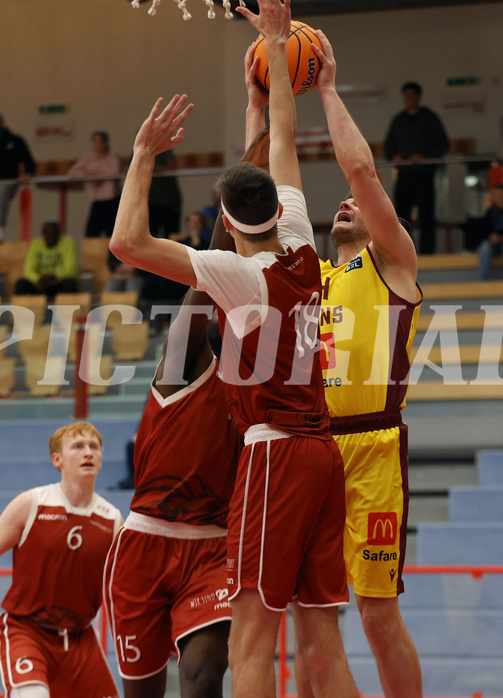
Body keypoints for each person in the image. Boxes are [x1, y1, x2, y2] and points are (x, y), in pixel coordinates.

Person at [109, 1, 357, 696]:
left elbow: (127, 243)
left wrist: (141, 157)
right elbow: (284, 137)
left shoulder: (239, 275)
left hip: (274, 451)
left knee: (252, 638)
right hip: (322, 450)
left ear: (224, 222)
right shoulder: (302, 243)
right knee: (321, 633)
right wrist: (275, 54)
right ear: (278, 209)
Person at [307, 32, 423, 698]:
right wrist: (258, 101)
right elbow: (277, 188)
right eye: (339, 210)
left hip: (373, 447)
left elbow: (361, 175)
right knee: (315, 617)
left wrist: (324, 87)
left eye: (358, 208)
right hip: (311, 451)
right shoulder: (314, 275)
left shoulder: (391, 266)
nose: (345, 204)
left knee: (377, 616)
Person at [0, 422, 123, 698]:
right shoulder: (30, 504)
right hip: (27, 630)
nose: (88, 453)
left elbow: (129, 584)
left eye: (94, 447)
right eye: (78, 447)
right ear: (57, 460)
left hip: (79, 637)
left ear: (102, 460)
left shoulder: (112, 519)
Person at [384, 81, 449, 255]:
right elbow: (388, 146)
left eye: (412, 96)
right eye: (406, 96)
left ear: (418, 97)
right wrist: (394, 156)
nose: (408, 99)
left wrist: (424, 157)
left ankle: (428, 254)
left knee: (426, 216)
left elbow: (442, 144)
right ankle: (406, 253)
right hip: (404, 175)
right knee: (402, 217)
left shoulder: (430, 118)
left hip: (424, 174)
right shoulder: (398, 120)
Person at [68, 130, 121, 237]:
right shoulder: (88, 158)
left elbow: (115, 171)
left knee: (112, 233)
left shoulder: (113, 156)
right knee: (91, 233)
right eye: (95, 142)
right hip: (97, 201)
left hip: (112, 201)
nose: (98, 145)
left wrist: (100, 175)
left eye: (101, 142)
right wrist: (89, 174)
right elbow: (72, 172)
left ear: (106, 143)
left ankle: (111, 254)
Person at [14, 218, 79, 298]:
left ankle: (70, 310)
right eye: (46, 232)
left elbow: (70, 269)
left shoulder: (69, 243)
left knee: (69, 284)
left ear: (59, 233)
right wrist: (38, 280)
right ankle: (21, 310)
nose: (49, 235)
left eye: (52, 232)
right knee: (21, 284)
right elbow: (28, 270)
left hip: (58, 283)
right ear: (42, 234)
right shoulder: (35, 243)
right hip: (40, 284)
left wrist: (54, 276)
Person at [0, 112, 36, 241]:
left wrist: (27, 174)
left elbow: (30, 163)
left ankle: (0, 228)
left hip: (8, 181)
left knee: (1, 192)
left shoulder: (15, 141)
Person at [148, 150, 183, 238]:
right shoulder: (138, 151)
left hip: (170, 199)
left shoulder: (165, 149)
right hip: (152, 200)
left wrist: (151, 167)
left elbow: (171, 166)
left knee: (172, 234)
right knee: (153, 234)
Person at [477, 183, 503, 280]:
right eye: (497, 196)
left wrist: (500, 238)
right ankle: (482, 282)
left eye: (501, 196)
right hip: (492, 243)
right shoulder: (490, 212)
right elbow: (484, 231)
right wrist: (491, 237)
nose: (499, 198)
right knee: (485, 248)